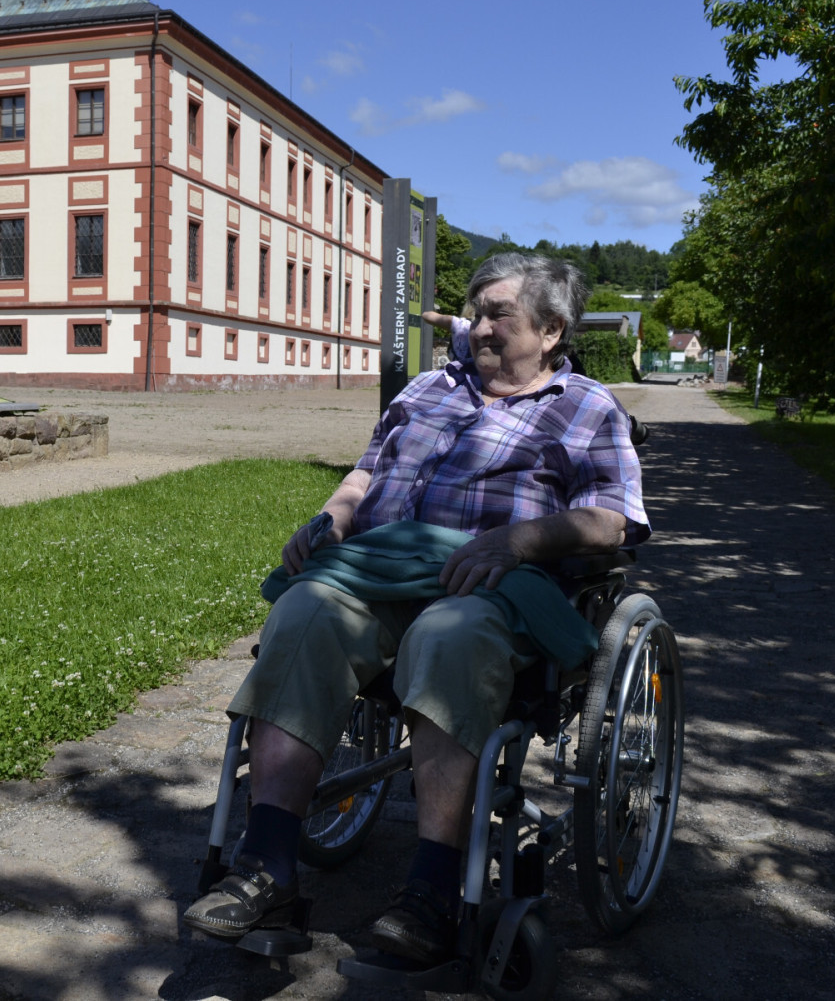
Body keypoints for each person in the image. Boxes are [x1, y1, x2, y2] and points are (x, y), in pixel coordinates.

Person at [183, 252, 649, 964]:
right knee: (304, 613)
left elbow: (612, 518)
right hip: (383, 571)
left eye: (499, 315)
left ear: (551, 330)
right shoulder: (430, 386)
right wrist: (332, 516)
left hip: (490, 587)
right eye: (477, 313)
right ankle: (266, 867)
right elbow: (366, 472)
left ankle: (433, 888)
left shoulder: (586, 406)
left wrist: (517, 541)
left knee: (447, 635)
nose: (479, 327)